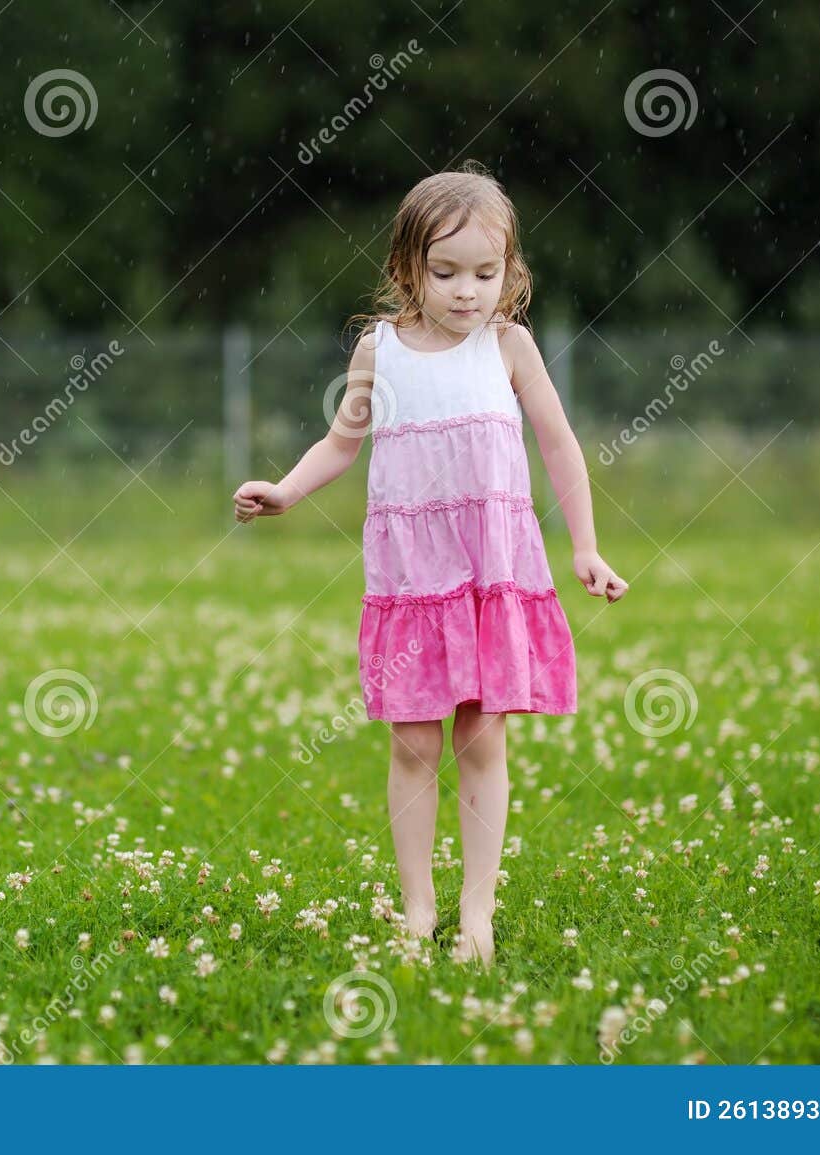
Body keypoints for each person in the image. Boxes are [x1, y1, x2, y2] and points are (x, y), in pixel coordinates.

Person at [231, 161, 628, 967]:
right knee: (413, 744)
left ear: (510, 272)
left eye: (486, 272)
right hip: (414, 581)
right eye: (444, 272)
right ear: (406, 269)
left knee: (483, 740)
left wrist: (583, 545)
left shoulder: (509, 346)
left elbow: (558, 442)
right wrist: (287, 489)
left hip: (492, 575)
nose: (465, 291)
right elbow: (343, 440)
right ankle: (418, 911)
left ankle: (475, 913)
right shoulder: (381, 352)